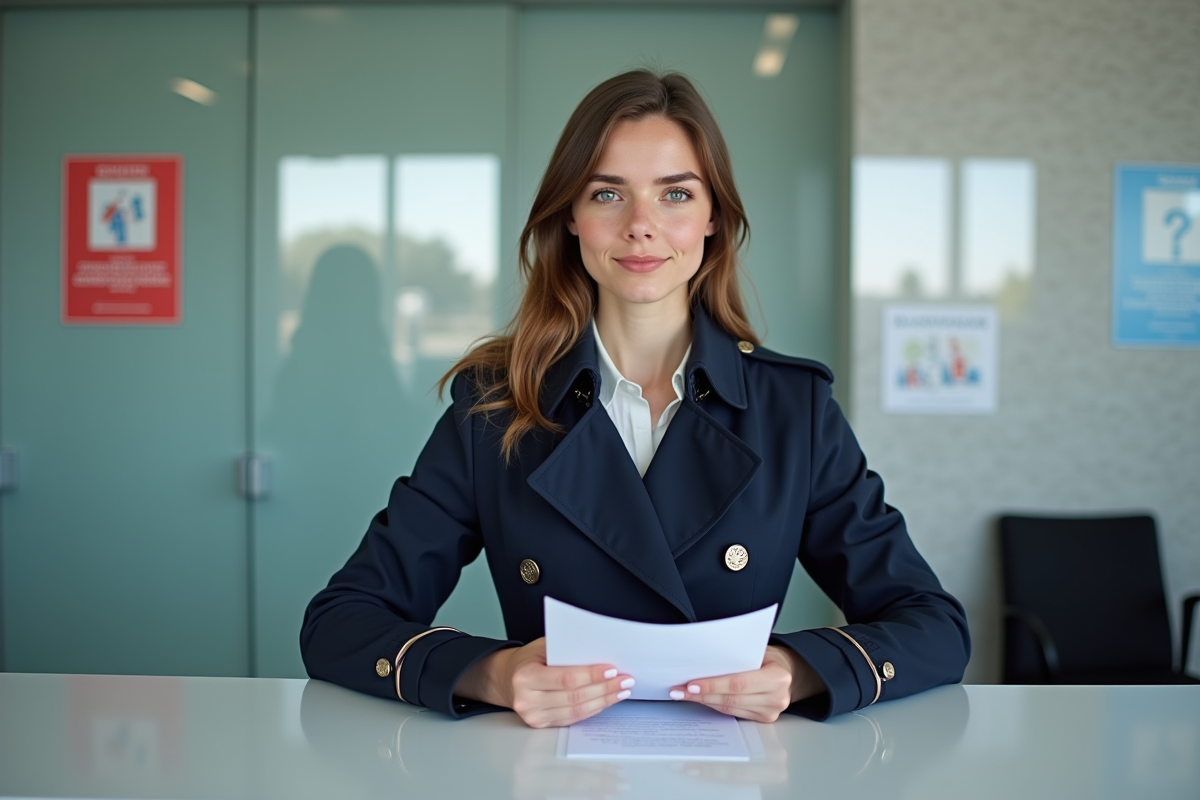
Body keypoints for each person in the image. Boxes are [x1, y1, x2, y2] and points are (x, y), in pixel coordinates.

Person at [300, 70, 970, 728]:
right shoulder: (496, 408)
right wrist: (493, 674)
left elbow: (933, 626)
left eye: (675, 194)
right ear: (571, 216)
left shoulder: (795, 410)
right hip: (547, 769)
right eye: (607, 194)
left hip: (735, 770)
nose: (641, 226)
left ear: (713, 217)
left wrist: (800, 670)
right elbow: (340, 623)